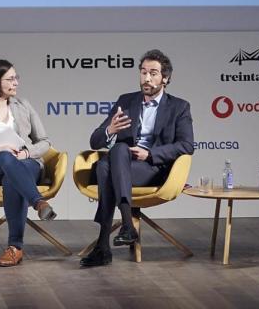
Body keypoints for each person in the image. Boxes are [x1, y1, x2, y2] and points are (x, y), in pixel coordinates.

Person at [80, 49, 194, 268]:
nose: (147, 78)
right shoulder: (126, 101)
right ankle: (126, 226)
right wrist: (111, 130)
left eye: (153, 73)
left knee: (106, 167)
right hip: (121, 164)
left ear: (165, 78)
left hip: (150, 168)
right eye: (143, 72)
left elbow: (187, 145)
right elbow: (95, 141)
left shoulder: (179, 107)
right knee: (118, 150)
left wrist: (150, 154)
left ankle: (103, 246)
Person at [0, 58, 57, 267]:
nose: (16, 83)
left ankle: (14, 248)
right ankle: (38, 202)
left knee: (11, 178)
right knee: (5, 158)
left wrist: (25, 153)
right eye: (10, 79)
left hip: (26, 163)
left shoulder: (24, 106)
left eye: (16, 78)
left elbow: (45, 142)